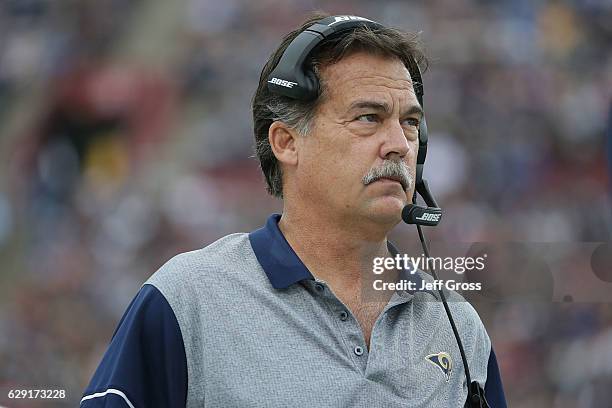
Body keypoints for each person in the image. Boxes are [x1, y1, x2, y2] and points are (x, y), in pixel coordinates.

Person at [81, 13, 507, 408]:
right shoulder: (186, 301)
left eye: (411, 122)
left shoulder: (458, 329)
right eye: (368, 117)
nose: (399, 143)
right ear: (286, 142)